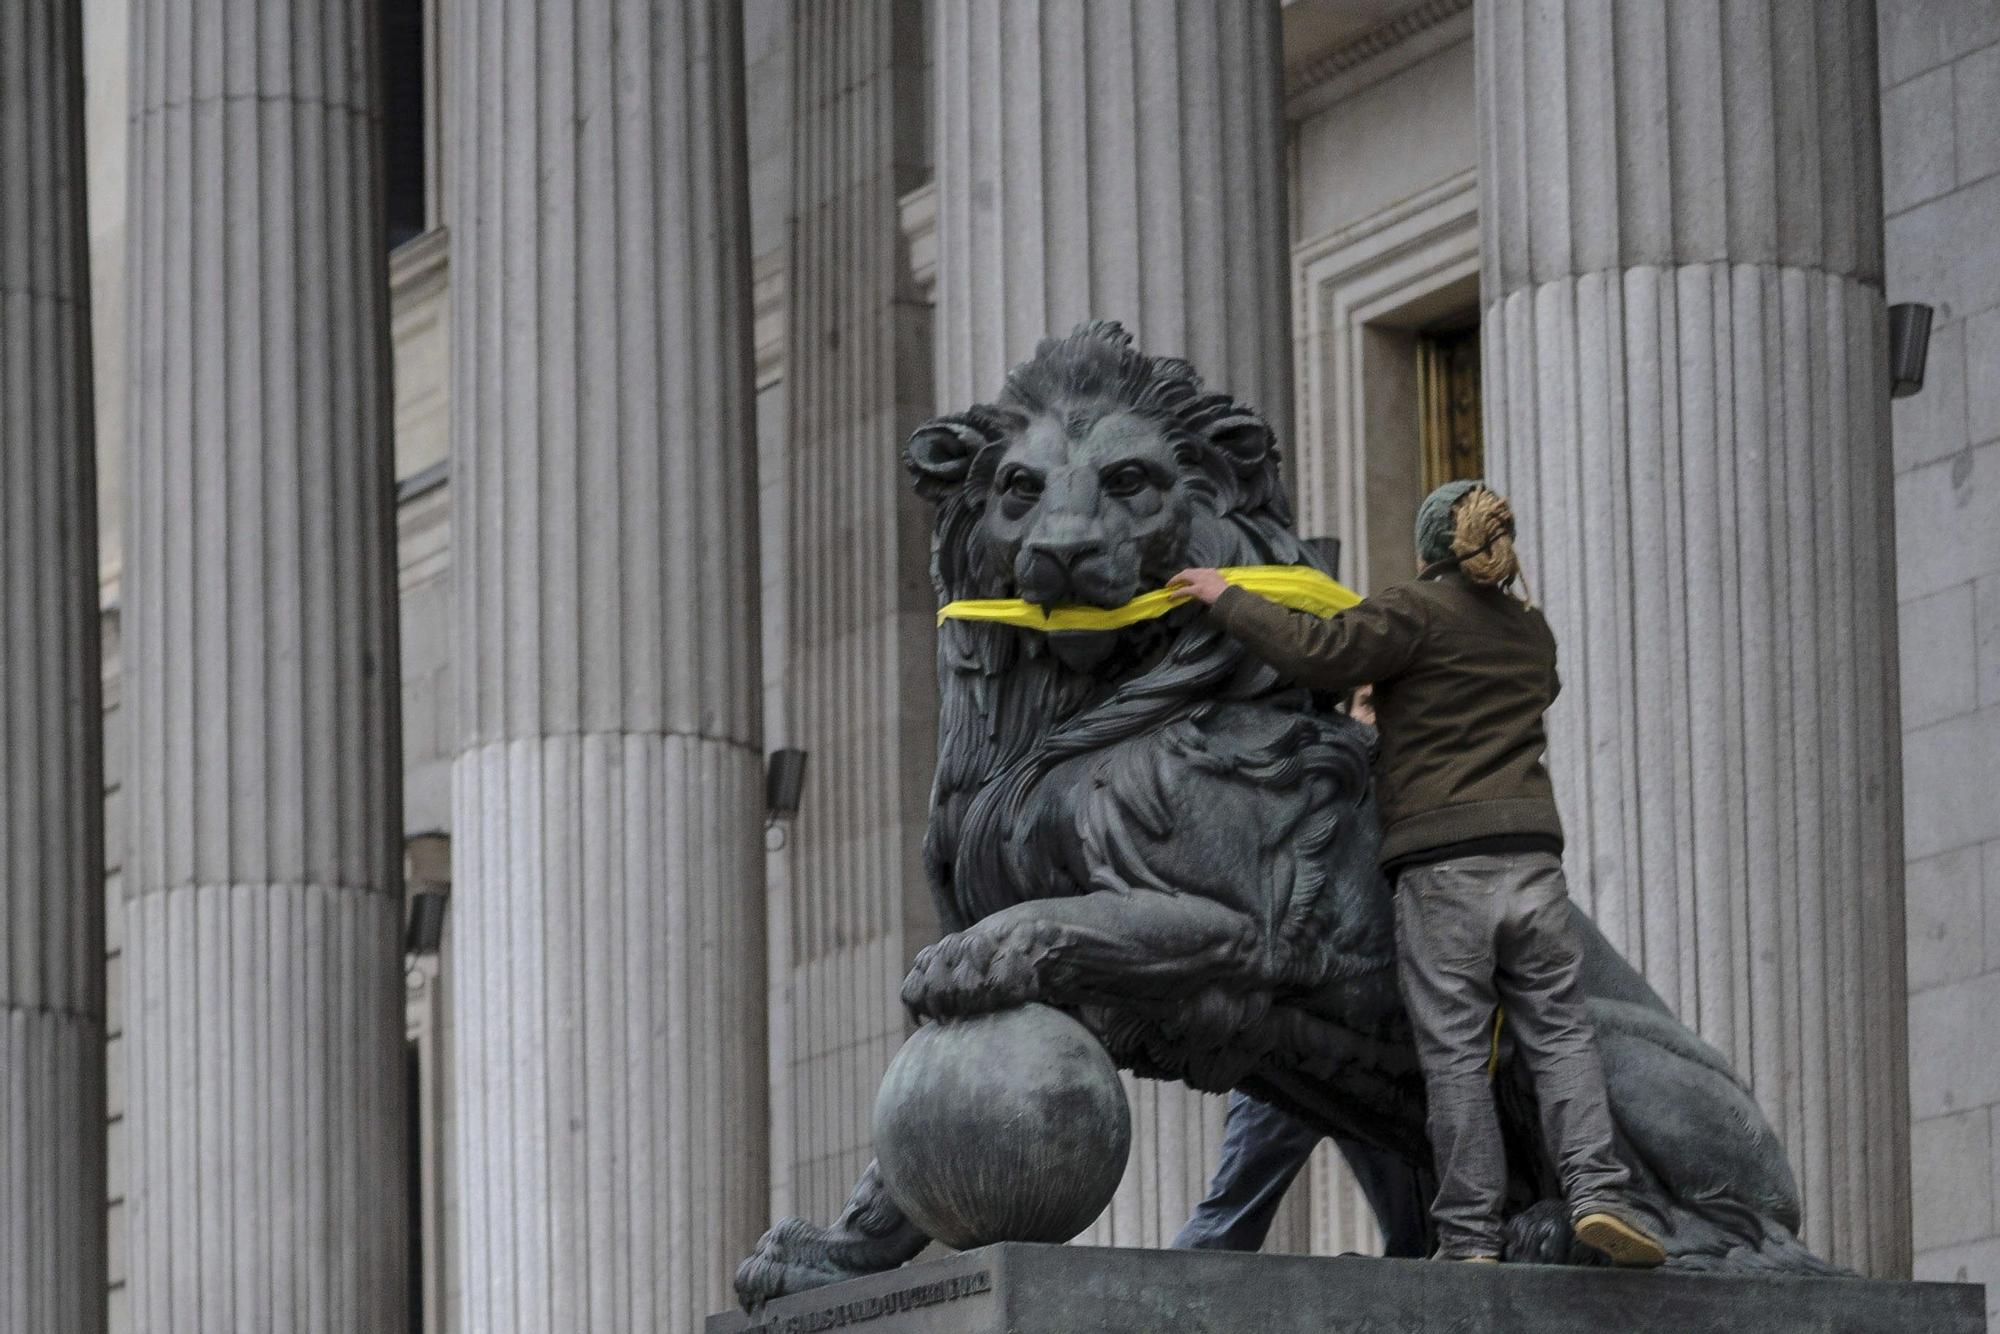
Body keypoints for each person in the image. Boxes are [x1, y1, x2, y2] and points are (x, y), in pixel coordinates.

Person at [1168, 480, 1666, 1267]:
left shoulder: (1414, 612)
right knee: (1562, 1037)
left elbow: (1319, 651)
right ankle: (1599, 1194)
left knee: (1457, 1054)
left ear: (1432, 548)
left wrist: (1226, 596)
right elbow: (1540, 688)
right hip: (1533, 863)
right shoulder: (1532, 632)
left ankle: (1468, 1237)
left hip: (1444, 869)